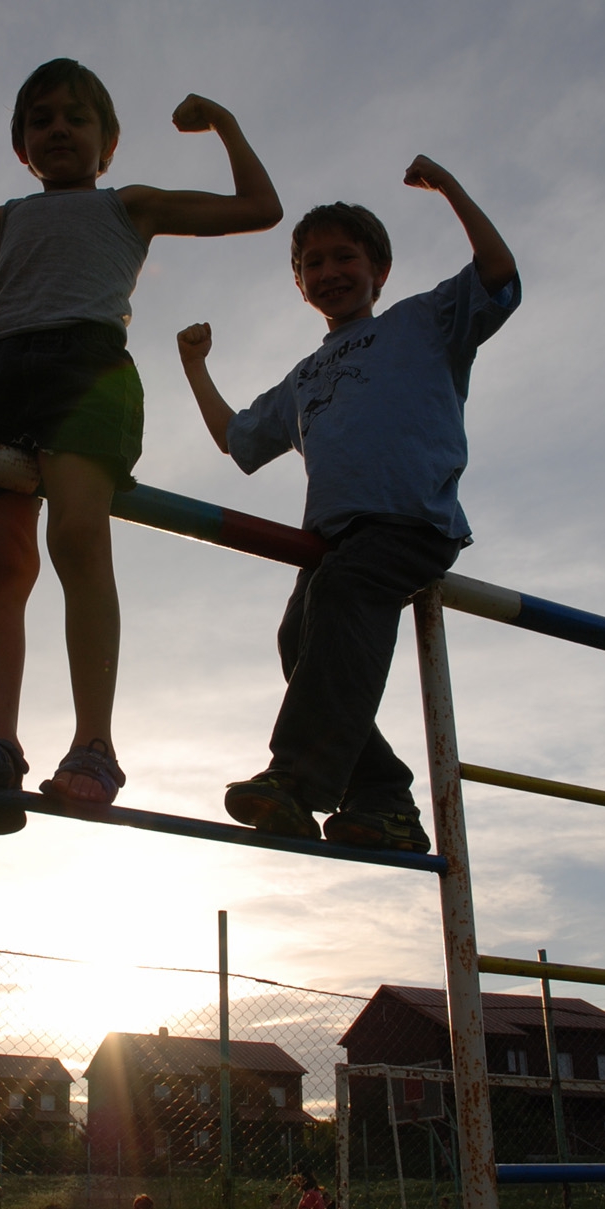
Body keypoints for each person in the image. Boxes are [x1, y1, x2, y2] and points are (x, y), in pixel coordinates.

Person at [0, 58, 281, 829]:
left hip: (86, 368)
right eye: (41, 121)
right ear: (23, 148)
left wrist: (223, 123)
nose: (58, 128)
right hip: (1, 373)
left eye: (76, 117)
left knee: (77, 536)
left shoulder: (129, 205)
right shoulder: (7, 218)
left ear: (109, 142)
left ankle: (93, 746)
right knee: (3, 558)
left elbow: (258, 207)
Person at [177, 157, 518, 851]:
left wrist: (450, 188)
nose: (329, 270)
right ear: (300, 285)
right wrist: (195, 366)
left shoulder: (424, 320)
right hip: (335, 540)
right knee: (297, 639)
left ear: (378, 269)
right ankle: (383, 799)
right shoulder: (305, 376)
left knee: (343, 593)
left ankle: (296, 782)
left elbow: (498, 272)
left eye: (344, 256)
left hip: (409, 520)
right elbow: (239, 438)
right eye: (312, 263)